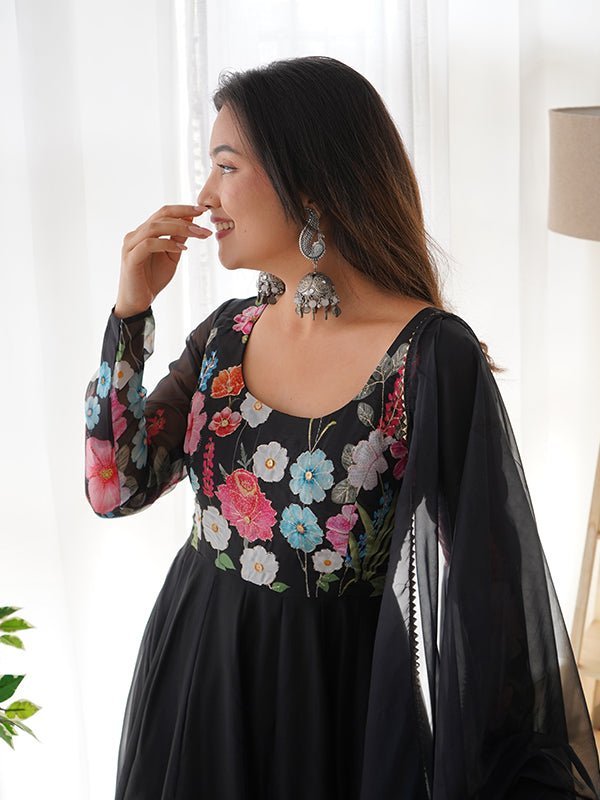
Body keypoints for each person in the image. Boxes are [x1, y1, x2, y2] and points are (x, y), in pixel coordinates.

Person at [83, 55, 600, 799]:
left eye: (226, 166)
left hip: (331, 716)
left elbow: (492, 605)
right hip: (194, 684)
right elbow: (116, 489)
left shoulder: (427, 358)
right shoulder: (225, 335)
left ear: (308, 182)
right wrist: (130, 317)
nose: (205, 197)